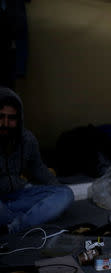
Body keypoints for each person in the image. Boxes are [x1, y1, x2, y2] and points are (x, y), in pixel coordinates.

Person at [0, 87, 74, 235]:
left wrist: (56, 193)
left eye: (11, 118)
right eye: (1, 116)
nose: (5, 123)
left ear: (19, 119)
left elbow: (39, 169)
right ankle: (25, 220)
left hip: (19, 197)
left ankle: (17, 224)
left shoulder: (27, 140)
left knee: (66, 194)